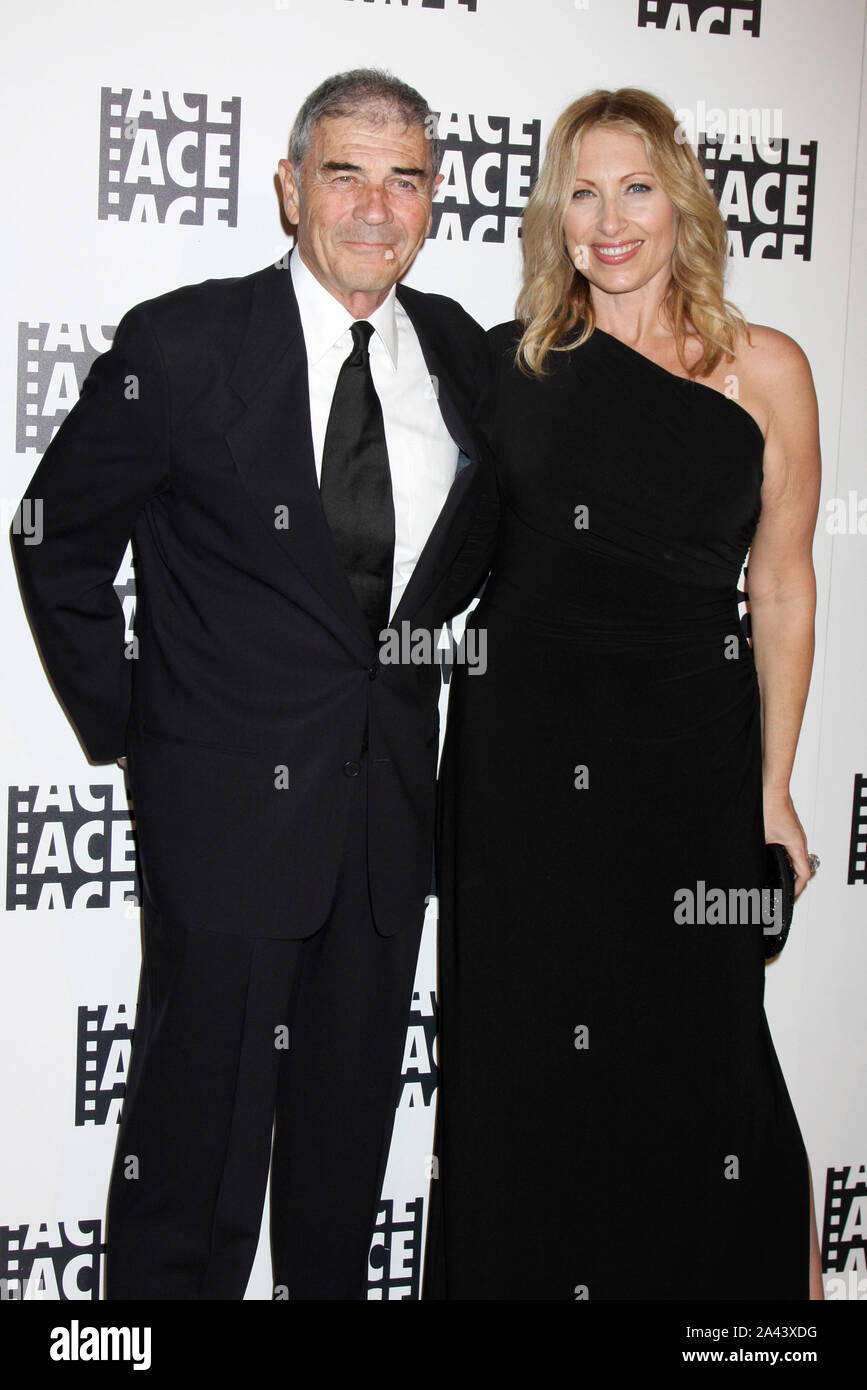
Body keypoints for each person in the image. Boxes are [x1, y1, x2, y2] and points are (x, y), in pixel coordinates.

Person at [11, 67, 495, 1300]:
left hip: (384, 846)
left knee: (338, 1196)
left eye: (408, 178)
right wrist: (135, 727)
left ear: (436, 199)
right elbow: (54, 532)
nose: (378, 207)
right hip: (224, 835)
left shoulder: (460, 359)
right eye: (347, 172)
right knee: (189, 1185)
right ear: (290, 187)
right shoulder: (184, 344)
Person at [422, 88, 823, 1300]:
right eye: (582, 192)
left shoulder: (767, 372)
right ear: (555, 213)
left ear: (681, 199)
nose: (610, 221)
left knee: (710, 1071)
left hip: (687, 768)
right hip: (521, 782)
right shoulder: (513, 364)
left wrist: (775, 789)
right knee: (525, 1071)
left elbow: (786, 588)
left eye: (636, 187)